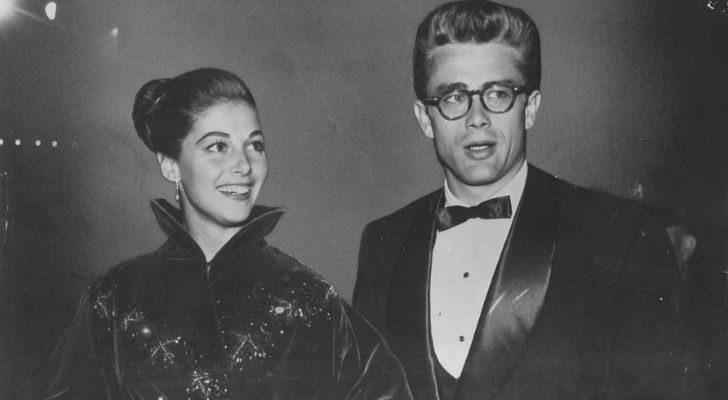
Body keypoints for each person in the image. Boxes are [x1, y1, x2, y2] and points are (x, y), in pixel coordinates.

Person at [352, 1, 707, 399]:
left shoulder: (621, 235)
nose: (477, 118)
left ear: (530, 108)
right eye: (453, 97)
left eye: (498, 93)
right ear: (424, 118)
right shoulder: (383, 242)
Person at [35, 68, 412, 400]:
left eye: (255, 145)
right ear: (170, 165)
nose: (244, 165)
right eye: (218, 146)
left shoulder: (310, 299)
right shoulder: (114, 299)